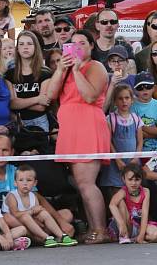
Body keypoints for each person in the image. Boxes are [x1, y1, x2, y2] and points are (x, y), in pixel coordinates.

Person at [45, 29, 110, 244]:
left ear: (92, 46)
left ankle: (100, 230)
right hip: (70, 128)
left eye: (83, 42)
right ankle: (93, 228)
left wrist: (75, 71)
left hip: (88, 126)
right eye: (73, 43)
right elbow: (50, 95)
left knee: (87, 182)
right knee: (81, 184)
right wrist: (61, 69)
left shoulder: (96, 67)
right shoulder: (66, 69)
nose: (78, 46)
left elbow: (90, 95)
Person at [3, 165, 77, 247]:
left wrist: (37, 214)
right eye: (21, 180)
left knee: (43, 213)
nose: (25, 183)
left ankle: (61, 236)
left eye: (29, 180)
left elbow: (37, 213)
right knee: (25, 216)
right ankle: (46, 237)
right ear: (15, 183)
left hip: (32, 222)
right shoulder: (12, 196)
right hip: (16, 222)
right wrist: (31, 212)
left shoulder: (33, 195)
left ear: (35, 183)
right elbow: (15, 214)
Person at [5, 31, 53, 133]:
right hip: (17, 122)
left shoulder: (45, 73)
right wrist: (37, 99)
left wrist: (20, 103)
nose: (25, 47)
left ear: (36, 47)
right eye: (21, 44)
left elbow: (41, 107)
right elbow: (11, 103)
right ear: (17, 49)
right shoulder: (10, 74)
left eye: (29, 44)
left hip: (39, 122)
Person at [99, 84, 144, 193]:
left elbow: (140, 141)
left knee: (132, 192)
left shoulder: (136, 119)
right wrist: (117, 160)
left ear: (131, 100)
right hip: (115, 164)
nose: (124, 101)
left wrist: (136, 158)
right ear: (115, 101)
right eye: (120, 98)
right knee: (115, 192)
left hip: (132, 162)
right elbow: (108, 141)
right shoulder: (110, 118)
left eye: (127, 98)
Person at [107, 164, 157, 244]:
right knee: (120, 202)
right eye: (130, 179)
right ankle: (124, 236)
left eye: (137, 179)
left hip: (138, 225)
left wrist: (141, 235)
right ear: (123, 179)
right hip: (125, 224)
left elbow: (144, 214)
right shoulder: (123, 192)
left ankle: (135, 238)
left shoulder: (146, 191)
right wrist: (122, 224)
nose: (133, 183)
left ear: (141, 179)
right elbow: (112, 205)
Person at [130, 72, 157, 152]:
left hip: (154, 150)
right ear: (135, 90)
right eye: (140, 88)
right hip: (135, 150)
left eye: (148, 87)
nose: (144, 90)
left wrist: (141, 127)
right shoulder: (132, 106)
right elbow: (133, 132)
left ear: (154, 88)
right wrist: (154, 134)